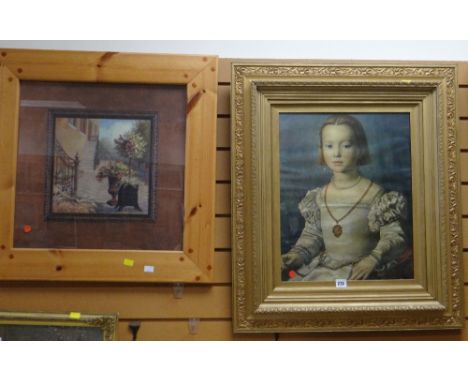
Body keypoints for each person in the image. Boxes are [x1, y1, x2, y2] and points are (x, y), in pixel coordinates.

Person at [281, 115, 408, 281]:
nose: (337, 153)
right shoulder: (318, 196)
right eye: (329, 146)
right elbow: (313, 236)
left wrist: (373, 258)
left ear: (360, 149)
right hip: (324, 270)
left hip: (359, 272)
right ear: (321, 150)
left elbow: (394, 237)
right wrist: (297, 255)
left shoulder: (375, 194)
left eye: (346, 145)